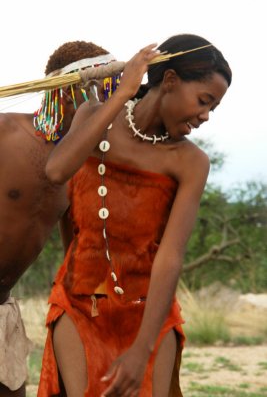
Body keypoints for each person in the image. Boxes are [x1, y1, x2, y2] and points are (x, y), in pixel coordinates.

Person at [38, 33, 232, 397]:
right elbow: (57, 170)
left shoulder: (191, 162)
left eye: (213, 108)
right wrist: (123, 94)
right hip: (80, 304)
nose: (205, 116)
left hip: (150, 315)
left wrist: (143, 347)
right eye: (204, 101)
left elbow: (170, 257)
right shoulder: (95, 118)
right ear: (170, 80)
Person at [0, 40, 119, 397]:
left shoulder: (83, 167)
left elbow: (78, 255)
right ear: (68, 93)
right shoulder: (6, 133)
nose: (113, 106)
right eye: (106, 92)